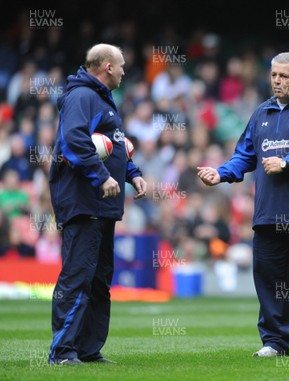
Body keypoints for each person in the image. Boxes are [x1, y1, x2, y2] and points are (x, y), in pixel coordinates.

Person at [197, 52, 289, 357]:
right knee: (269, 277)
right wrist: (221, 173)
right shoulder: (261, 113)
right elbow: (245, 155)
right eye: (274, 76)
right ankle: (275, 342)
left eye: (283, 76)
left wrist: (288, 162)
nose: (277, 81)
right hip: (268, 212)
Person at [48, 44, 147, 365]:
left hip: (103, 205)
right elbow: (73, 141)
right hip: (83, 201)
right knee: (78, 275)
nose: (123, 71)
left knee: (100, 279)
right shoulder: (82, 97)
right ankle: (63, 351)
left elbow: (115, 146)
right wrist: (101, 177)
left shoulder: (102, 100)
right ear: (106, 66)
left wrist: (132, 173)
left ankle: (88, 349)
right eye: (120, 66)